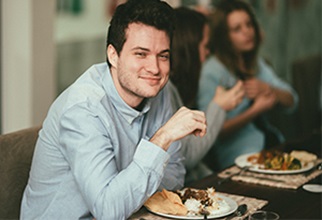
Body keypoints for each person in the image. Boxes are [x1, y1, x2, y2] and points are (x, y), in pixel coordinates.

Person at [20, 0, 208, 219]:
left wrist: (128, 194)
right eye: (141, 54)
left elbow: (174, 175)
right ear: (113, 55)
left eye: (163, 56)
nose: (155, 68)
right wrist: (162, 137)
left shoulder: (157, 90)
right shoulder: (83, 109)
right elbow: (108, 210)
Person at [197, 0, 299, 171]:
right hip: (239, 156)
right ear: (223, 36)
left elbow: (292, 101)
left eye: (249, 24)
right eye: (237, 29)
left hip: (272, 145)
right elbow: (208, 131)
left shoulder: (256, 64)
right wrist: (255, 110)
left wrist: (269, 89)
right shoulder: (211, 71)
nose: (247, 32)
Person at [167, 7, 244, 183]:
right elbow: (188, 156)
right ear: (190, 47)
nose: (207, 53)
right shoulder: (166, 90)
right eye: (205, 46)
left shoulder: (178, 86)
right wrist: (219, 106)